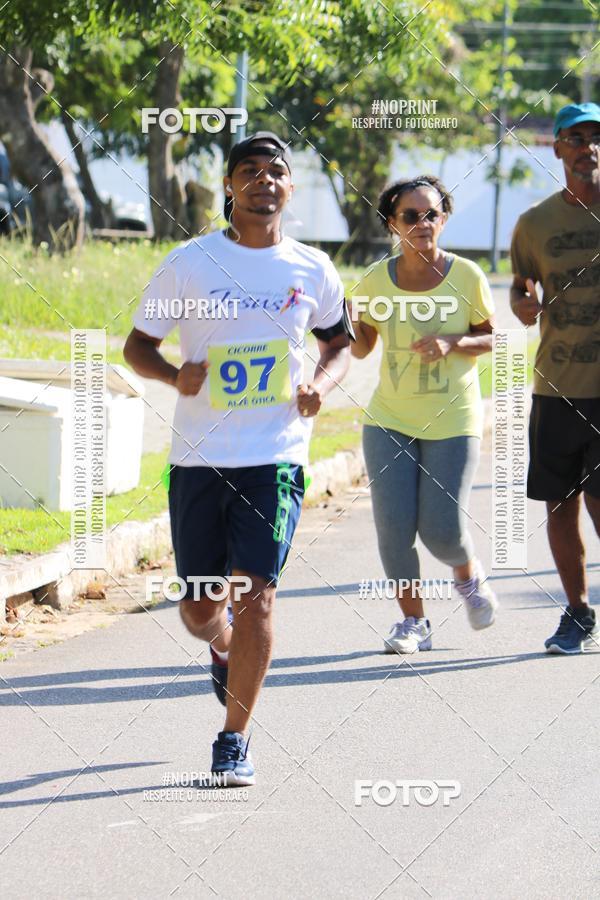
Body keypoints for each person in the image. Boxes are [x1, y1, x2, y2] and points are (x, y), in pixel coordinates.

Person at [124, 131, 352, 784]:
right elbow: (137, 346)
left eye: (275, 171)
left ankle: (234, 739)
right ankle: (221, 648)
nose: (263, 180)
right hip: (198, 459)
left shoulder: (312, 268)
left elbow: (340, 341)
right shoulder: (189, 262)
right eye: (248, 171)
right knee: (200, 610)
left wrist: (319, 387)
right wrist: (176, 377)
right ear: (229, 186)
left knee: (258, 597)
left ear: (290, 186)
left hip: (275, 456)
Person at [350, 175, 497, 653]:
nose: (422, 223)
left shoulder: (468, 276)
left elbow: (495, 338)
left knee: (442, 531)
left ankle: (469, 576)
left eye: (431, 214)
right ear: (393, 224)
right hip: (388, 418)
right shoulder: (375, 279)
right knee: (393, 531)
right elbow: (361, 348)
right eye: (410, 216)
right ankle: (414, 623)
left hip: (453, 421)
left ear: (444, 219)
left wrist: (453, 342)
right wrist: (340, 319)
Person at [510, 102, 600, 654]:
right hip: (557, 389)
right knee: (560, 505)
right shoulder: (534, 224)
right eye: (577, 137)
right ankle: (577, 611)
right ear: (558, 148)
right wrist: (521, 305)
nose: (588, 146)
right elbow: (522, 295)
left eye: (597, 137)